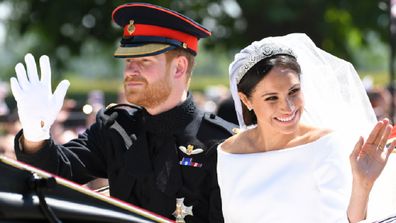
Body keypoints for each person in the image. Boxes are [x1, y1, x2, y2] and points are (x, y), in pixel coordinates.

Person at [10, 3, 236, 222]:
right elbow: (55, 175)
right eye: (128, 60)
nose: (130, 70)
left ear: (179, 67)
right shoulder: (116, 129)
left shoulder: (223, 143)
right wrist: (35, 134)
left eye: (144, 60)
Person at [216, 33, 396, 223]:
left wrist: (363, 185)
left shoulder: (325, 144)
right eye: (271, 98)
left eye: (293, 91)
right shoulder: (228, 152)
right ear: (246, 100)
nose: (288, 107)